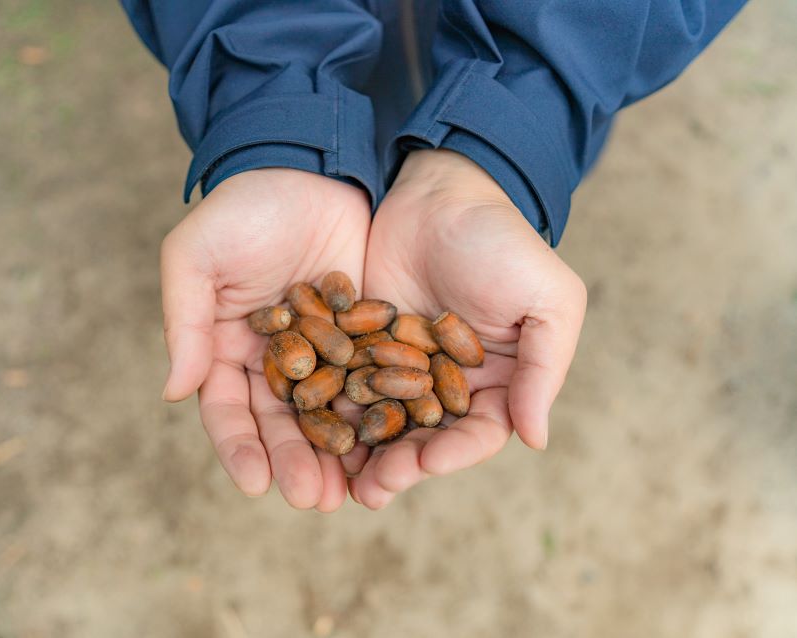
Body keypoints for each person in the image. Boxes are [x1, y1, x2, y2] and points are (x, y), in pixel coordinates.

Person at [121, 0, 747, 512]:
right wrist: (277, 120)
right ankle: (381, 136)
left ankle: (451, 137)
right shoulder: (341, 348)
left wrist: (505, 136)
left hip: (527, 69)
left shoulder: (366, 351)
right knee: (374, 120)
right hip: (339, 87)